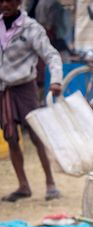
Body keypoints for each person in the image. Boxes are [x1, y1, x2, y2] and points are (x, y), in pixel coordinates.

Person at [0, 0, 61, 202]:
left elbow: (51, 55)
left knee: (36, 135)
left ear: (19, 2)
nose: (4, 4)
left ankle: (50, 183)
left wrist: (56, 81)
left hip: (25, 87)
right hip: (4, 89)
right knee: (10, 137)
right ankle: (23, 185)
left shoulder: (31, 28)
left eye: (9, 0)